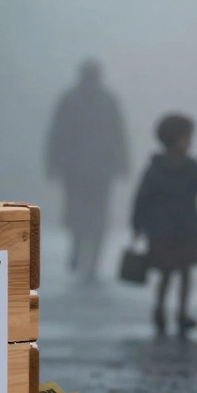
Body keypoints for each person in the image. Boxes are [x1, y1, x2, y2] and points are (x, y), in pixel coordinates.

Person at [131, 114, 197, 335]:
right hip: (171, 232)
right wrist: (137, 225)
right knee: (173, 273)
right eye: (187, 138)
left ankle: (177, 312)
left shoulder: (162, 169)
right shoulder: (171, 169)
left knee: (180, 273)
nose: (190, 142)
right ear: (176, 139)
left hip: (175, 232)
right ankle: (165, 310)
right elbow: (142, 200)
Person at [46, 58, 131, 282]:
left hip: (74, 168)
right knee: (97, 213)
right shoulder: (106, 100)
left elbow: (56, 134)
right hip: (99, 168)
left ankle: (78, 249)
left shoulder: (70, 99)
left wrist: (53, 163)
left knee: (78, 210)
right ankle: (91, 258)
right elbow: (118, 134)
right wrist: (122, 163)